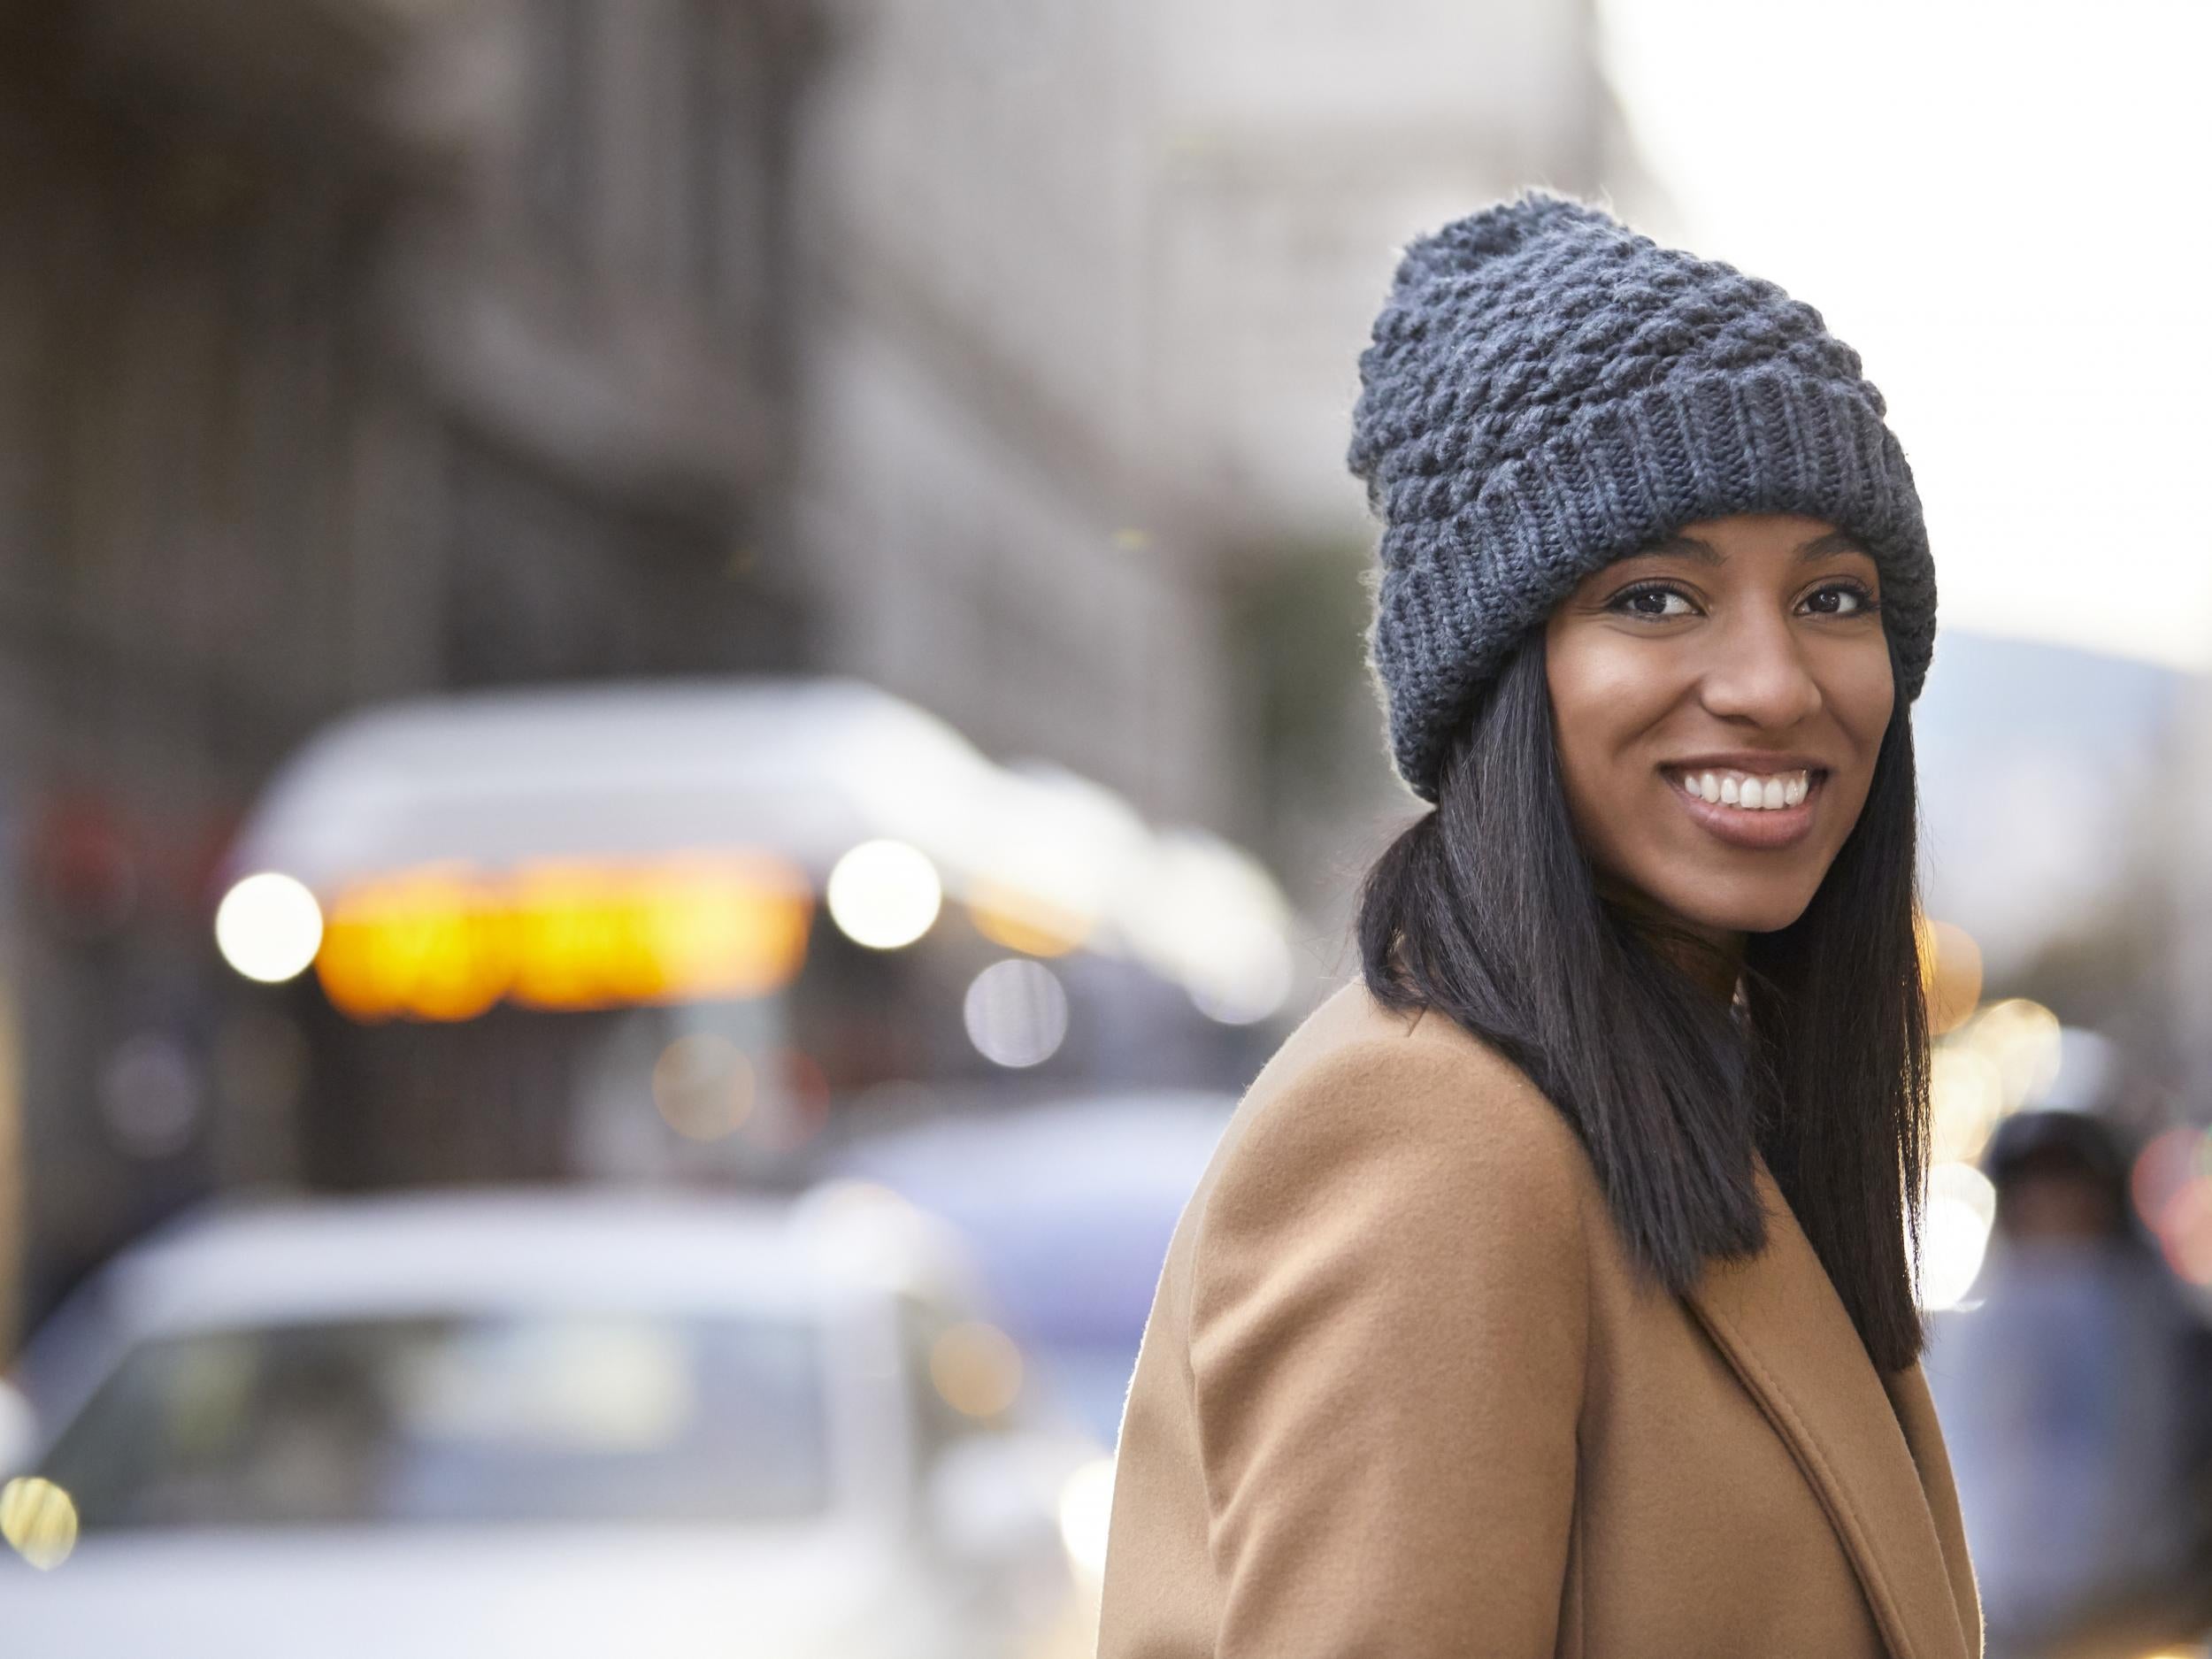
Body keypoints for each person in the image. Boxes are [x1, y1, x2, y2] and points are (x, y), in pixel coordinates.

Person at [1095, 193, 1983, 1657]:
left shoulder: (1693, 1092)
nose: (1775, 681)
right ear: (1504, 673)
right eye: (1656, 597)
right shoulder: (1435, 1131)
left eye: (1834, 595)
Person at [1927, 1110, 2212, 1659]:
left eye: (2067, 1184)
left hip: (2138, 1617)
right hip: (1997, 1619)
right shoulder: (1964, 1328)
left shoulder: (2163, 1325)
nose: (2051, 1205)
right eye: (2033, 1187)